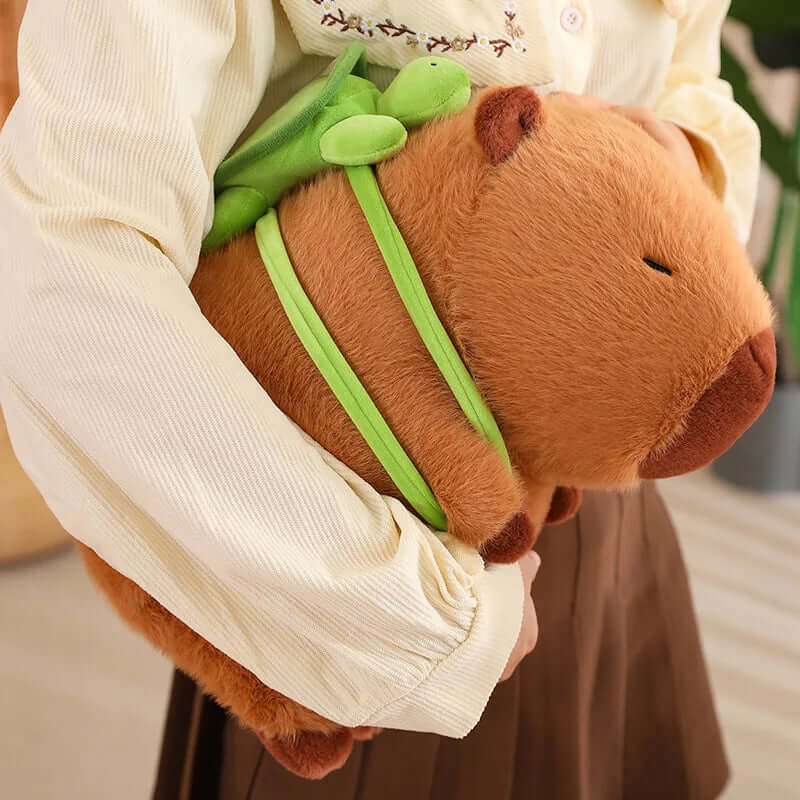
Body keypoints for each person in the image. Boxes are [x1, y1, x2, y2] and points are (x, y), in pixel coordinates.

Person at [0, 1, 758, 799]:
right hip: (337, 545)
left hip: (599, 516)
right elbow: (71, 264)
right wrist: (425, 628)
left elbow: (682, 60)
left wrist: (682, 162)